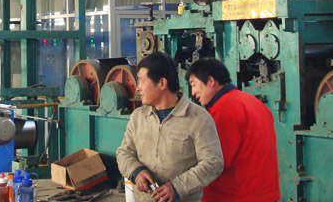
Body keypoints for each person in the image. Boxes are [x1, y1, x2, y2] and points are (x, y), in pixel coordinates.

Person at [117, 53, 224, 202]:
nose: (138, 88)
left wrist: (177, 187)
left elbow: (213, 162)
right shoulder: (138, 117)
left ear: (162, 83)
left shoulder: (198, 119)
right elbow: (124, 153)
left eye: (142, 81)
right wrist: (136, 171)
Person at [186, 58, 280, 202]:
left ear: (210, 81)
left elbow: (216, 160)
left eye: (194, 85)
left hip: (234, 195)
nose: (193, 92)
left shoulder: (224, 108)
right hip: (263, 194)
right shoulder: (254, 103)